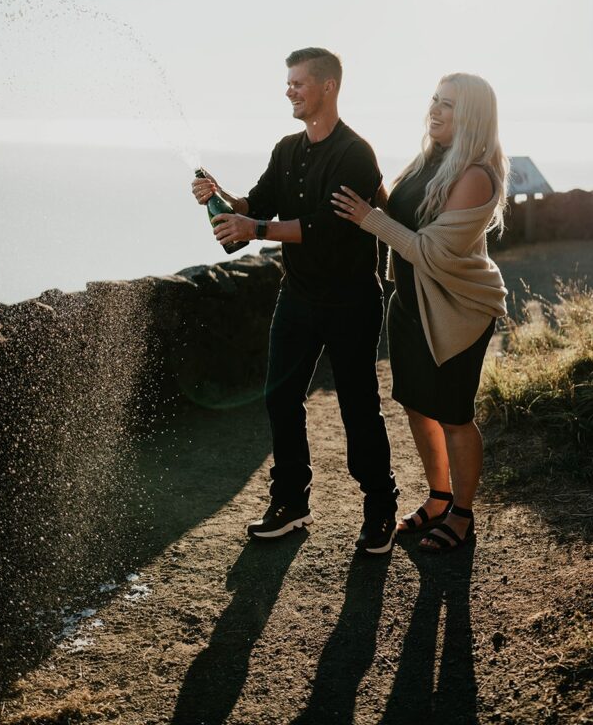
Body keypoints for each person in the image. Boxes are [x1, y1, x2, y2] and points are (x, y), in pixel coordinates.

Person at [192, 48, 399, 554]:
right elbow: (256, 203)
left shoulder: (356, 153)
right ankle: (290, 502)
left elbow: (328, 228)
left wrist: (255, 229)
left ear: (327, 86)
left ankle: (380, 507)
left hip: (352, 300)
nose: (289, 90)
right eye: (287, 83)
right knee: (279, 397)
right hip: (299, 297)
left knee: (358, 408)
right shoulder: (286, 148)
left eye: (298, 82)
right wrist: (223, 197)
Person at [331, 72, 508, 554]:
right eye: (434, 99)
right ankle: (438, 497)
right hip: (410, 304)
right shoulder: (428, 161)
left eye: (448, 104)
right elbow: (400, 216)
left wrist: (367, 218)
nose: (435, 109)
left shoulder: (475, 175)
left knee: (453, 414)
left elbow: (430, 251)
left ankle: (463, 515)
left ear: (470, 116)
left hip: (459, 311)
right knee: (416, 404)